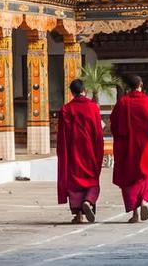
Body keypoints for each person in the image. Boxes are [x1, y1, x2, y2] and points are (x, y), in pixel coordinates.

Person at [110, 74, 148, 223]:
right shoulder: (147, 101)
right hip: (144, 146)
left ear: (128, 87)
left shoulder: (122, 102)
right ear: (141, 85)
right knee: (143, 174)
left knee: (129, 178)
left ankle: (134, 214)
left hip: (127, 148)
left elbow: (114, 125)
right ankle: (144, 201)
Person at [56, 78, 106, 223]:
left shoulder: (66, 109)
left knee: (75, 184)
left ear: (71, 92)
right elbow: (98, 132)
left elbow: (62, 136)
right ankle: (88, 202)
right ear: (85, 91)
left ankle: (78, 215)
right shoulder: (93, 107)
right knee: (92, 180)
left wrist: (63, 153)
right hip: (90, 151)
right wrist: (99, 152)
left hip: (73, 152)